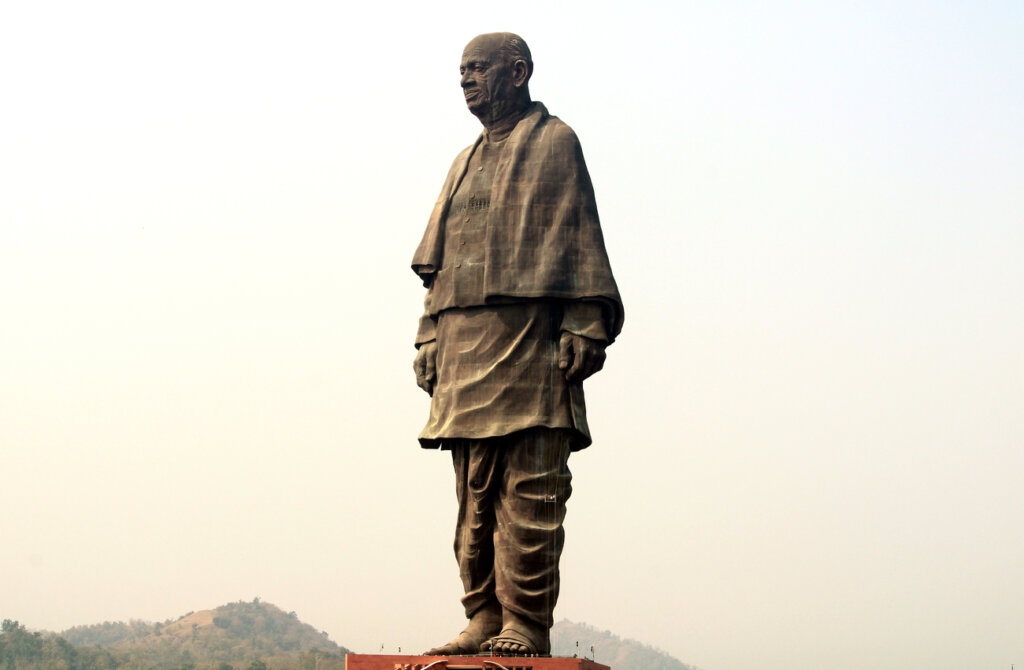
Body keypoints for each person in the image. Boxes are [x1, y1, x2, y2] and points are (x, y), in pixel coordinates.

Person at [411, 32, 623, 657]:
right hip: (463, 341)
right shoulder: (462, 160)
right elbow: (439, 264)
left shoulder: (555, 142)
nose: (466, 80)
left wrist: (584, 321)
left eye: (478, 69)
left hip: (530, 340)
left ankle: (525, 620)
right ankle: (481, 613)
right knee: (472, 495)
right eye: (461, 71)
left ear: (519, 72)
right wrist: (428, 336)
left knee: (531, 487)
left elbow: (577, 234)